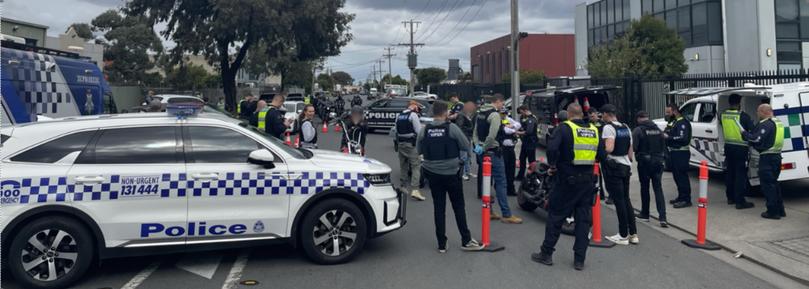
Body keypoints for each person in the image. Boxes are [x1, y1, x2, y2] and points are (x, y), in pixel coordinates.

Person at [531, 103, 605, 271]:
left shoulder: (564, 128)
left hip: (566, 180)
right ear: (581, 114)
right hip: (587, 182)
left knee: (556, 217)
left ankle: (546, 253)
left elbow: (552, 149)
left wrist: (553, 165)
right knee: (583, 221)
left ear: (569, 114)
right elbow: (601, 155)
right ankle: (579, 260)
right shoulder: (594, 130)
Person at [417, 101, 484, 253]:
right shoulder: (451, 128)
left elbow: (419, 149)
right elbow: (466, 145)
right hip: (452, 173)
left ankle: (442, 243)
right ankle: (466, 240)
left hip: (432, 174)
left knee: (439, 208)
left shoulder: (424, 130)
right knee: (458, 207)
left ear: (433, 113)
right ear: (446, 113)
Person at [473, 94, 523, 224]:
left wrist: (478, 145)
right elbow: (492, 135)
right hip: (493, 152)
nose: (503, 106)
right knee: (501, 182)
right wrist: (485, 147)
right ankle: (506, 214)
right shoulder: (494, 115)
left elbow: (475, 132)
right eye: (502, 104)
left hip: (482, 152)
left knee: (486, 181)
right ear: (498, 101)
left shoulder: (481, 113)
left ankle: (488, 211)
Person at [599, 104, 638, 246]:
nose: (601, 117)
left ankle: (622, 235)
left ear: (607, 114)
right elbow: (630, 151)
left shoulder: (608, 128)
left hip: (614, 167)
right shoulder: (625, 127)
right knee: (626, 199)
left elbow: (609, 148)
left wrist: (600, 152)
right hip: (626, 166)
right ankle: (633, 233)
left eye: (602, 114)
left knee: (619, 201)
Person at [742, 104, 786, 220]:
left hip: (767, 158)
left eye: (758, 112)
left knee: (768, 186)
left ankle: (772, 212)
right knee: (774, 184)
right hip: (776, 157)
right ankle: (780, 210)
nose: (757, 114)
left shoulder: (766, 124)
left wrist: (745, 134)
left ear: (763, 112)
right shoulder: (778, 122)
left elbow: (756, 138)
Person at [632, 111, 668, 228]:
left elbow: (634, 147)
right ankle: (663, 218)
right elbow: (664, 144)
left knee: (645, 187)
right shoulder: (658, 129)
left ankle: (645, 213)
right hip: (658, 162)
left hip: (645, 163)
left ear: (638, 119)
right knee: (658, 188)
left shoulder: (638, 130)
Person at [721, 94, 755, 209]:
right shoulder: (743, 116)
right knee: (740, 175)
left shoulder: (723, 115)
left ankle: (730, 198)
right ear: (739, 103)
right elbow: (752, 130)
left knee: (730, 173)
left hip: (728, 147)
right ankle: (740, 201)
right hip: (740, 149)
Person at [665, 103, 693, 208]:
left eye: (668, 112)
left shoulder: (683, 123)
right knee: (676, 176)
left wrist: (669, 138)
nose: (667, 114)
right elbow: (667, 131)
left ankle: (686, 199)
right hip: (673, 152)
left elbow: (683, 138)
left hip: (681, 152)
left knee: (682, 176)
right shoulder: (673, 121)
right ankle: (681, 196)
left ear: (674, 111)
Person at [396, 100, 425, 201]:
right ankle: (415, 190)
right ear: (414, 107)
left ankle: (403, 186)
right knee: (416, 166)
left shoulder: (399, 116)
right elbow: (419, 131)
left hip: (401, 144)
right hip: (411, 145)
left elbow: (396, 130)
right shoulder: (413, 115)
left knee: (403, 165)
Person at [500, 107, 521, 196]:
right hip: (503, 148)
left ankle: (510, 189)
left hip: (511, 148)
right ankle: (501, 189)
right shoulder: (499, 121)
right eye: (502, 114)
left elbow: (518, 124)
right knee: (503, 170)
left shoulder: (508, 119)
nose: (503, 116)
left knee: (511, 169)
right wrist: (513, 130)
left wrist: (511, 126)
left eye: (504, 114)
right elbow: (506, 131)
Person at [455, 101, 477, 180]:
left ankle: (467, 171)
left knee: (468, 156)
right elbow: (459, 127)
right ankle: (463, 173)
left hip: (468, 137)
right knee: (463, 156)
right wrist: (470, 129)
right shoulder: (461, 115)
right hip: (464, 137)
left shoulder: (467, 115)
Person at [517, 105, 538, 180]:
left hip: (531, 143)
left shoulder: (531, 119)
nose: (521, 114)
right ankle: (520, 176)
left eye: (522, 112)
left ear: (525, 110)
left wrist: (518, 133)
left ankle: (532, 176)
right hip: (525, 142)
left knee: (531, 160)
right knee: (522, 159)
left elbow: (529, 131)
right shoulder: (523, 118)